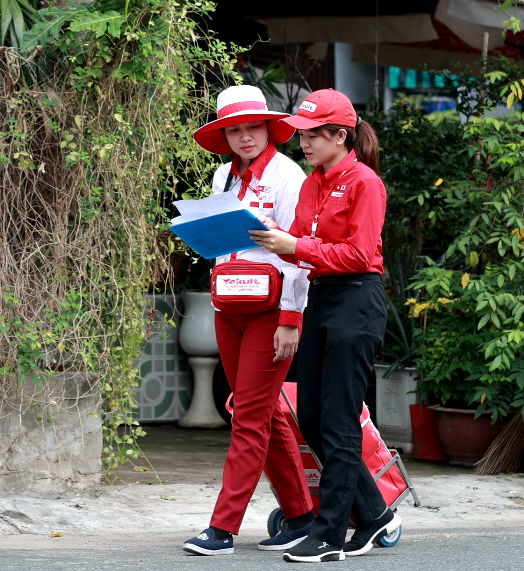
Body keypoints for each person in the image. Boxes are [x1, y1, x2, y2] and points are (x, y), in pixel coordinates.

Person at [248, 88, 401, 563]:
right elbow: (299, 242)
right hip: (322, 297)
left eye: (314, 136)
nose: (305, 144)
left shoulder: (365, 182)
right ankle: (374, 516)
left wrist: (295, 247)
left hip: (357, 298)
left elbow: (359, 253)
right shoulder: (313, 182)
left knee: (338, 417)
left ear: (340, 135)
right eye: (302, 136)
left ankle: (331, 532)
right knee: (311, 415)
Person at [181, 85, 316, 556]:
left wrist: (290, 320)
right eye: (234, 130)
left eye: (252, 127)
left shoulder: (288, 175)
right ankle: (300, 517)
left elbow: (297, 254)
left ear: (267, 127)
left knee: (249, 419)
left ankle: (222, 528)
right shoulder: (223, 175)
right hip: (228, 306)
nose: (244, 137)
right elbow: (223, 241)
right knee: (259, 411)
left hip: (270, 311)